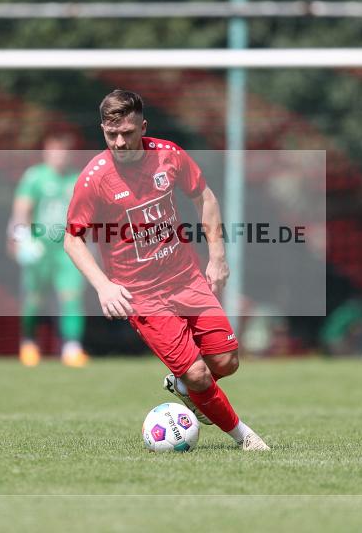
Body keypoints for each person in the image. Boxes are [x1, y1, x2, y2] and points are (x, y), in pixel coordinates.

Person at [63, 89, 269, 450]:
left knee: (226, 361)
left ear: (144, 126)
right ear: (102, 131)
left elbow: (205, 197)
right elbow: (72, 239)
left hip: (186, 278)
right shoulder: (93, 179)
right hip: (141, 295)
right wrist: (104, 286)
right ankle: (245, 438)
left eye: (127, 132)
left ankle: (186, 388)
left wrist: (218, 256)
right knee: (198, 372)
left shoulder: (169, 156)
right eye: (111, 134)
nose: (120, 142)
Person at [7, 132, 88, 367]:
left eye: (63, 151)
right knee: (33, 298)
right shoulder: (35, 177)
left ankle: (72, 347)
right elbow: (22, 210)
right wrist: (22, 239)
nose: (58, 156)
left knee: (71, 296)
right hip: (39, 247)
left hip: (68, 248)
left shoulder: (77, 179)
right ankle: (29, 343)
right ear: (46, 151)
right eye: (54, 150)